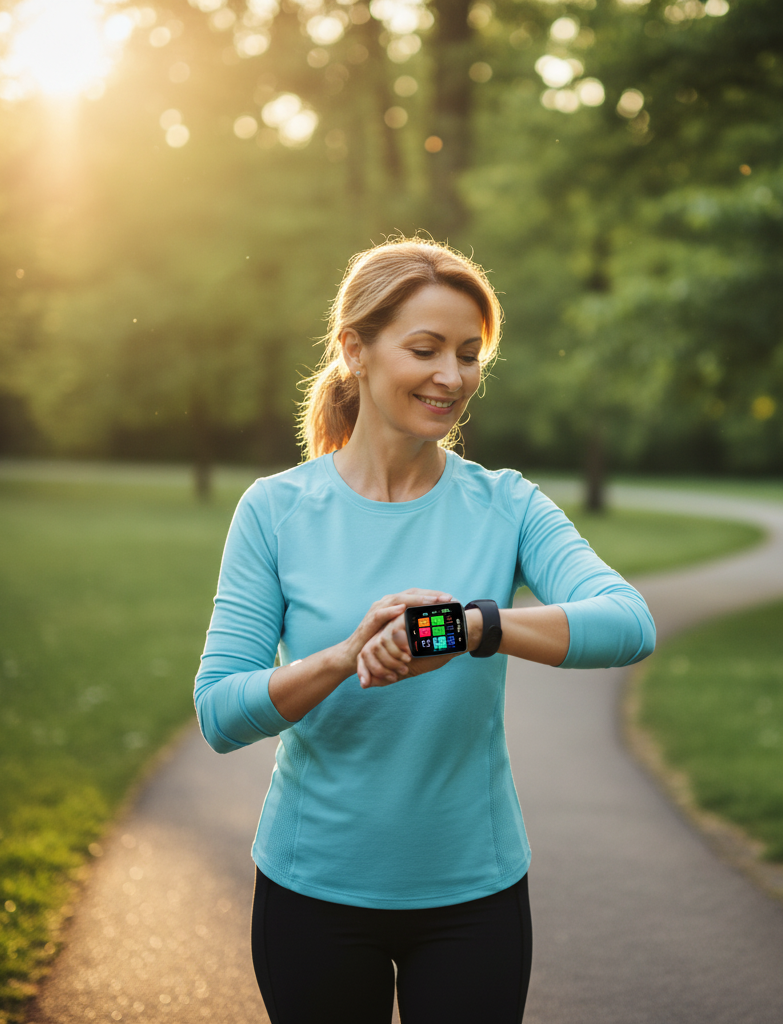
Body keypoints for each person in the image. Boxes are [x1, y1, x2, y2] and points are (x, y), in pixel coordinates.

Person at [194, 237, 656, 1024]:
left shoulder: (506, 504)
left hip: (473, 895)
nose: (453, 376)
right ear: (355, 350)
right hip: (313, 892)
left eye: (470, 355)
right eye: (426, 349)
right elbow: (219, 713)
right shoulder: (275, 510)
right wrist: (345, 656)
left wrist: (466, 627)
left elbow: (628, 623)